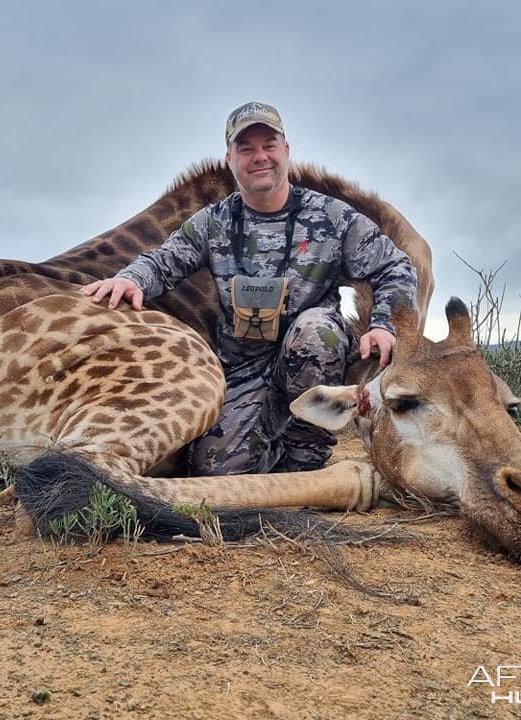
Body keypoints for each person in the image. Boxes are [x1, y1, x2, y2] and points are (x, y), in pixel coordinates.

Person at [82, 101, 417, 476]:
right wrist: (130, 279)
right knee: (213, 471)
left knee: (314, 331)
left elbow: (395, 266)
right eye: (247, 148)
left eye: (269, 145)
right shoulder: (214, 221)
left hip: (310, 355)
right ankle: (269, 452)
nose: (260, 157)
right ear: (230, 158)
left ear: (286, 151)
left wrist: (383, 323)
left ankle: (306, 462)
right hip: (243, 368)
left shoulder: (332, 216)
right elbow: (163, 260)